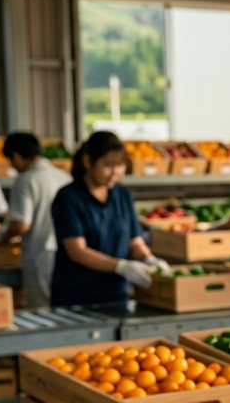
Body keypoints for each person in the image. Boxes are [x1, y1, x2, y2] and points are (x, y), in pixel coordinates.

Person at [49, 131, 167, 308]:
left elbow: (135, 242)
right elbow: (77, 251)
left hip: (117, 295)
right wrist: (121, 267)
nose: (115, 172)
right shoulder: (69, 197)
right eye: (108, 165)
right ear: (88, 161)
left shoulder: (122, 196)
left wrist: (149, 259)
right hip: (77, 297)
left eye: (120, 166)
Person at [1, 133, 72, 308]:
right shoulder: (64, 177)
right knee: (64, 306)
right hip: (68, 250)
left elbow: (21, 225)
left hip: (40, 252)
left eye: (11, 161)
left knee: (42, 308)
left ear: (16, 155)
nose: (12, 166)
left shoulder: (25, 180)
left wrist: (2, 238)